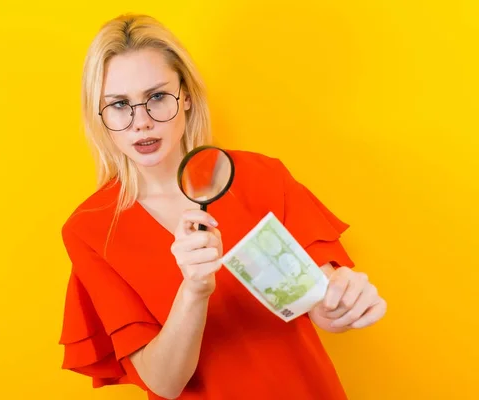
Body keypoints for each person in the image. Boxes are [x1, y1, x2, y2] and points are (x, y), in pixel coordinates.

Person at [58, 13, 387, 400]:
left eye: (157, 97)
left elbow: (321, 300)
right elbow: (164, 383)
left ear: (186, 97)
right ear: (99, 116)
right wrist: (194, 289)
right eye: (118, 105)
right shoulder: (90, 230)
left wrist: (343, 302)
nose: (141, 122)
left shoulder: (262, 176)